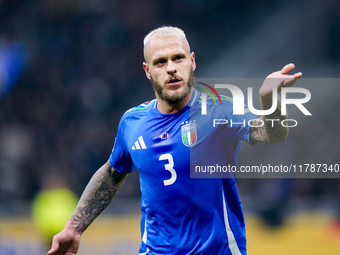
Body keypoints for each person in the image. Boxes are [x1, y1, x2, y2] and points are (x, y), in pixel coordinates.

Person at [47, 26, 302, 255]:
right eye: (160, 62)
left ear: (192, 62)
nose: (171, 68)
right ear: (147, 71)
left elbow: (272, 133)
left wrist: (273, 102)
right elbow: (112, 173)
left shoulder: (219, 111)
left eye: (178, 58)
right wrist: (75, 226)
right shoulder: (132, 123)